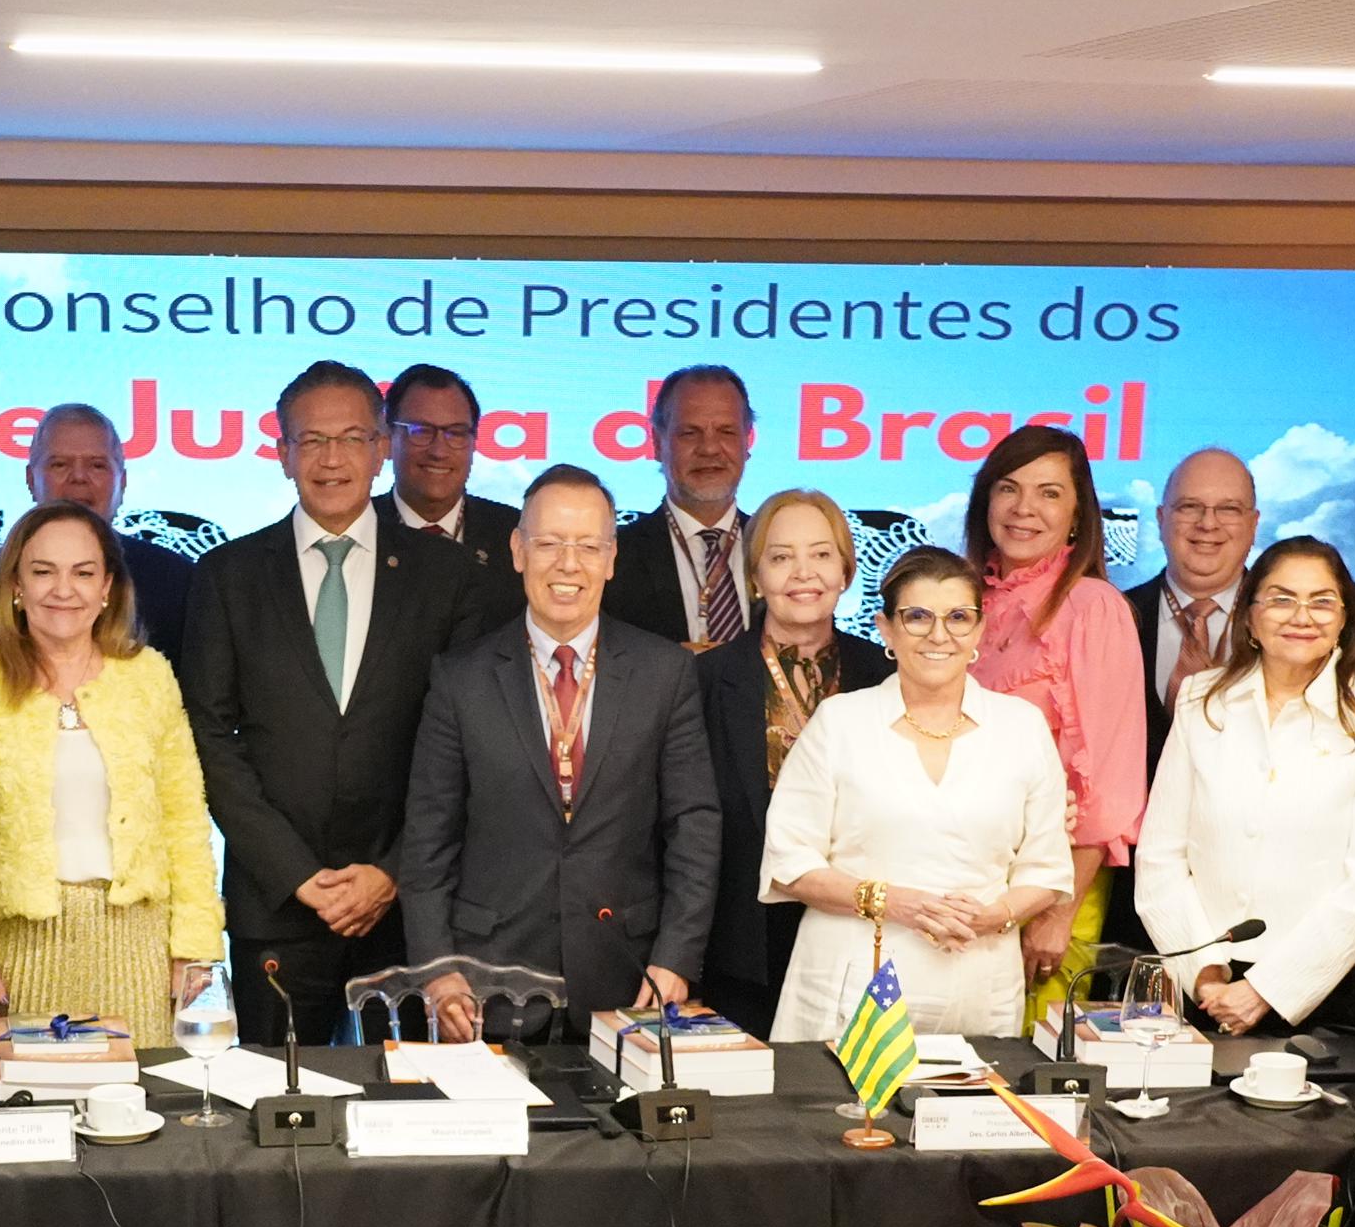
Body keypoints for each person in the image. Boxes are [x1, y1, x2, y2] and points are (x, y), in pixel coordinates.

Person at [177, 360, 486, 1042]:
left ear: (382, 450)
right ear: (282, 454)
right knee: (279, 1112)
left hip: (409, 907)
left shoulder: (450, 577)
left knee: (416, 1115)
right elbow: (207, 734)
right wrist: (297, 874)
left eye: (350, 438)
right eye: (310, 441)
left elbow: (467, 744)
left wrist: (392, 871)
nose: (331, 459)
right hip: (277, 905)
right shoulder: (228, 576)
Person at [397, 465, 720, 1039]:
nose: (568, 564)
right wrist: (438, 969)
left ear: (611, 558)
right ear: (518, 550)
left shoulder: (664, 672)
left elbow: (693, 823)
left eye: (588, 546)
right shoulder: (461, 677)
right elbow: (428, 839)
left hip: (628, 976)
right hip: (486, 983)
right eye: (549, 543)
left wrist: (675, 957)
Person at [757, 546, 1073, 1041]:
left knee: (970, 1115)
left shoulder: (1022, 728)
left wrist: (996, 915)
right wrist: (894, 903)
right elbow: (789, 861)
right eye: (918, 617)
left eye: (958, 617)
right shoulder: (841, 723)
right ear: (885, 629)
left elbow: (1048, 867)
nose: (939, 635)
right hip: (852, 979)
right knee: (837, 1117)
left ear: (980, 630)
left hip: (979, 983)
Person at [0, 503, 222, 1043]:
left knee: (140, 1112)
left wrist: (195, 944)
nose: (63, 590)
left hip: (139, 947)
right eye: (43, 571)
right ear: (16, 586)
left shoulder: (148, 676)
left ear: (108, 588)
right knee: (29, 1115)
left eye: (83, 572)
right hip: (18, 952)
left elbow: (184, 819)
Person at [1132, 537, 1355, 1036]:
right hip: (1204, 985)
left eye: (1322, 601)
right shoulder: (1202, 698)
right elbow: (1160, 855)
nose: (1302, 616)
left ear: (1345, 618)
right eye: (1282, 599)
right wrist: (1203, 974)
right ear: (1249, 615)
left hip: (1327, 993)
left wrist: (1268, 990)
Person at [963, 423, 1154, 1011]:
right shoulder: (965, 601)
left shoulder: (1094, 606)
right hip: (963, 876)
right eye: (1009, 488)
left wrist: (1059, 912)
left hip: (1053, 884)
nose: (1025, 509)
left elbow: (1114, 779)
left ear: (1077, 515)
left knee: (1028, 1073)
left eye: (1049, 493)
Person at [692, 489, 890, 1033]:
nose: (803, 572)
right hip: (740, 943)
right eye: (781, 557)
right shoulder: (704, 681)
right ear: (756, 577)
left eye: (821, 554)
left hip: (857, 934)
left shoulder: (887, 676)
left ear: (847, 570)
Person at [604, 364, 757, 649]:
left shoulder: (775, 549)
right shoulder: (614, 559)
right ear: (657, 443)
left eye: (726, 432)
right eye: (689, 433)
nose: (709, 448)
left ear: (747, 441)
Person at [1127, 448, 1259, 776]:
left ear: (1253, 524)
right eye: (1189, 507)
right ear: (1160, 519)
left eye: (1228, 509)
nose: (1207, 524)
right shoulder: (1115, 617)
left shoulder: (1285, 625)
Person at [22, 402, 199, 645]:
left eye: (97, 465)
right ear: (31, 479)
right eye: (60, 464)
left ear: (122, 482)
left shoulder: (177, 582)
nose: (79, 477)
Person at [383, 361, 520, 570]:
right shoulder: (355, 528)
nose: (439, 451)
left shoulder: (515, 534)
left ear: (474, 441)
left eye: (455, 433)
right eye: (421, 431)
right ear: (388, 436)